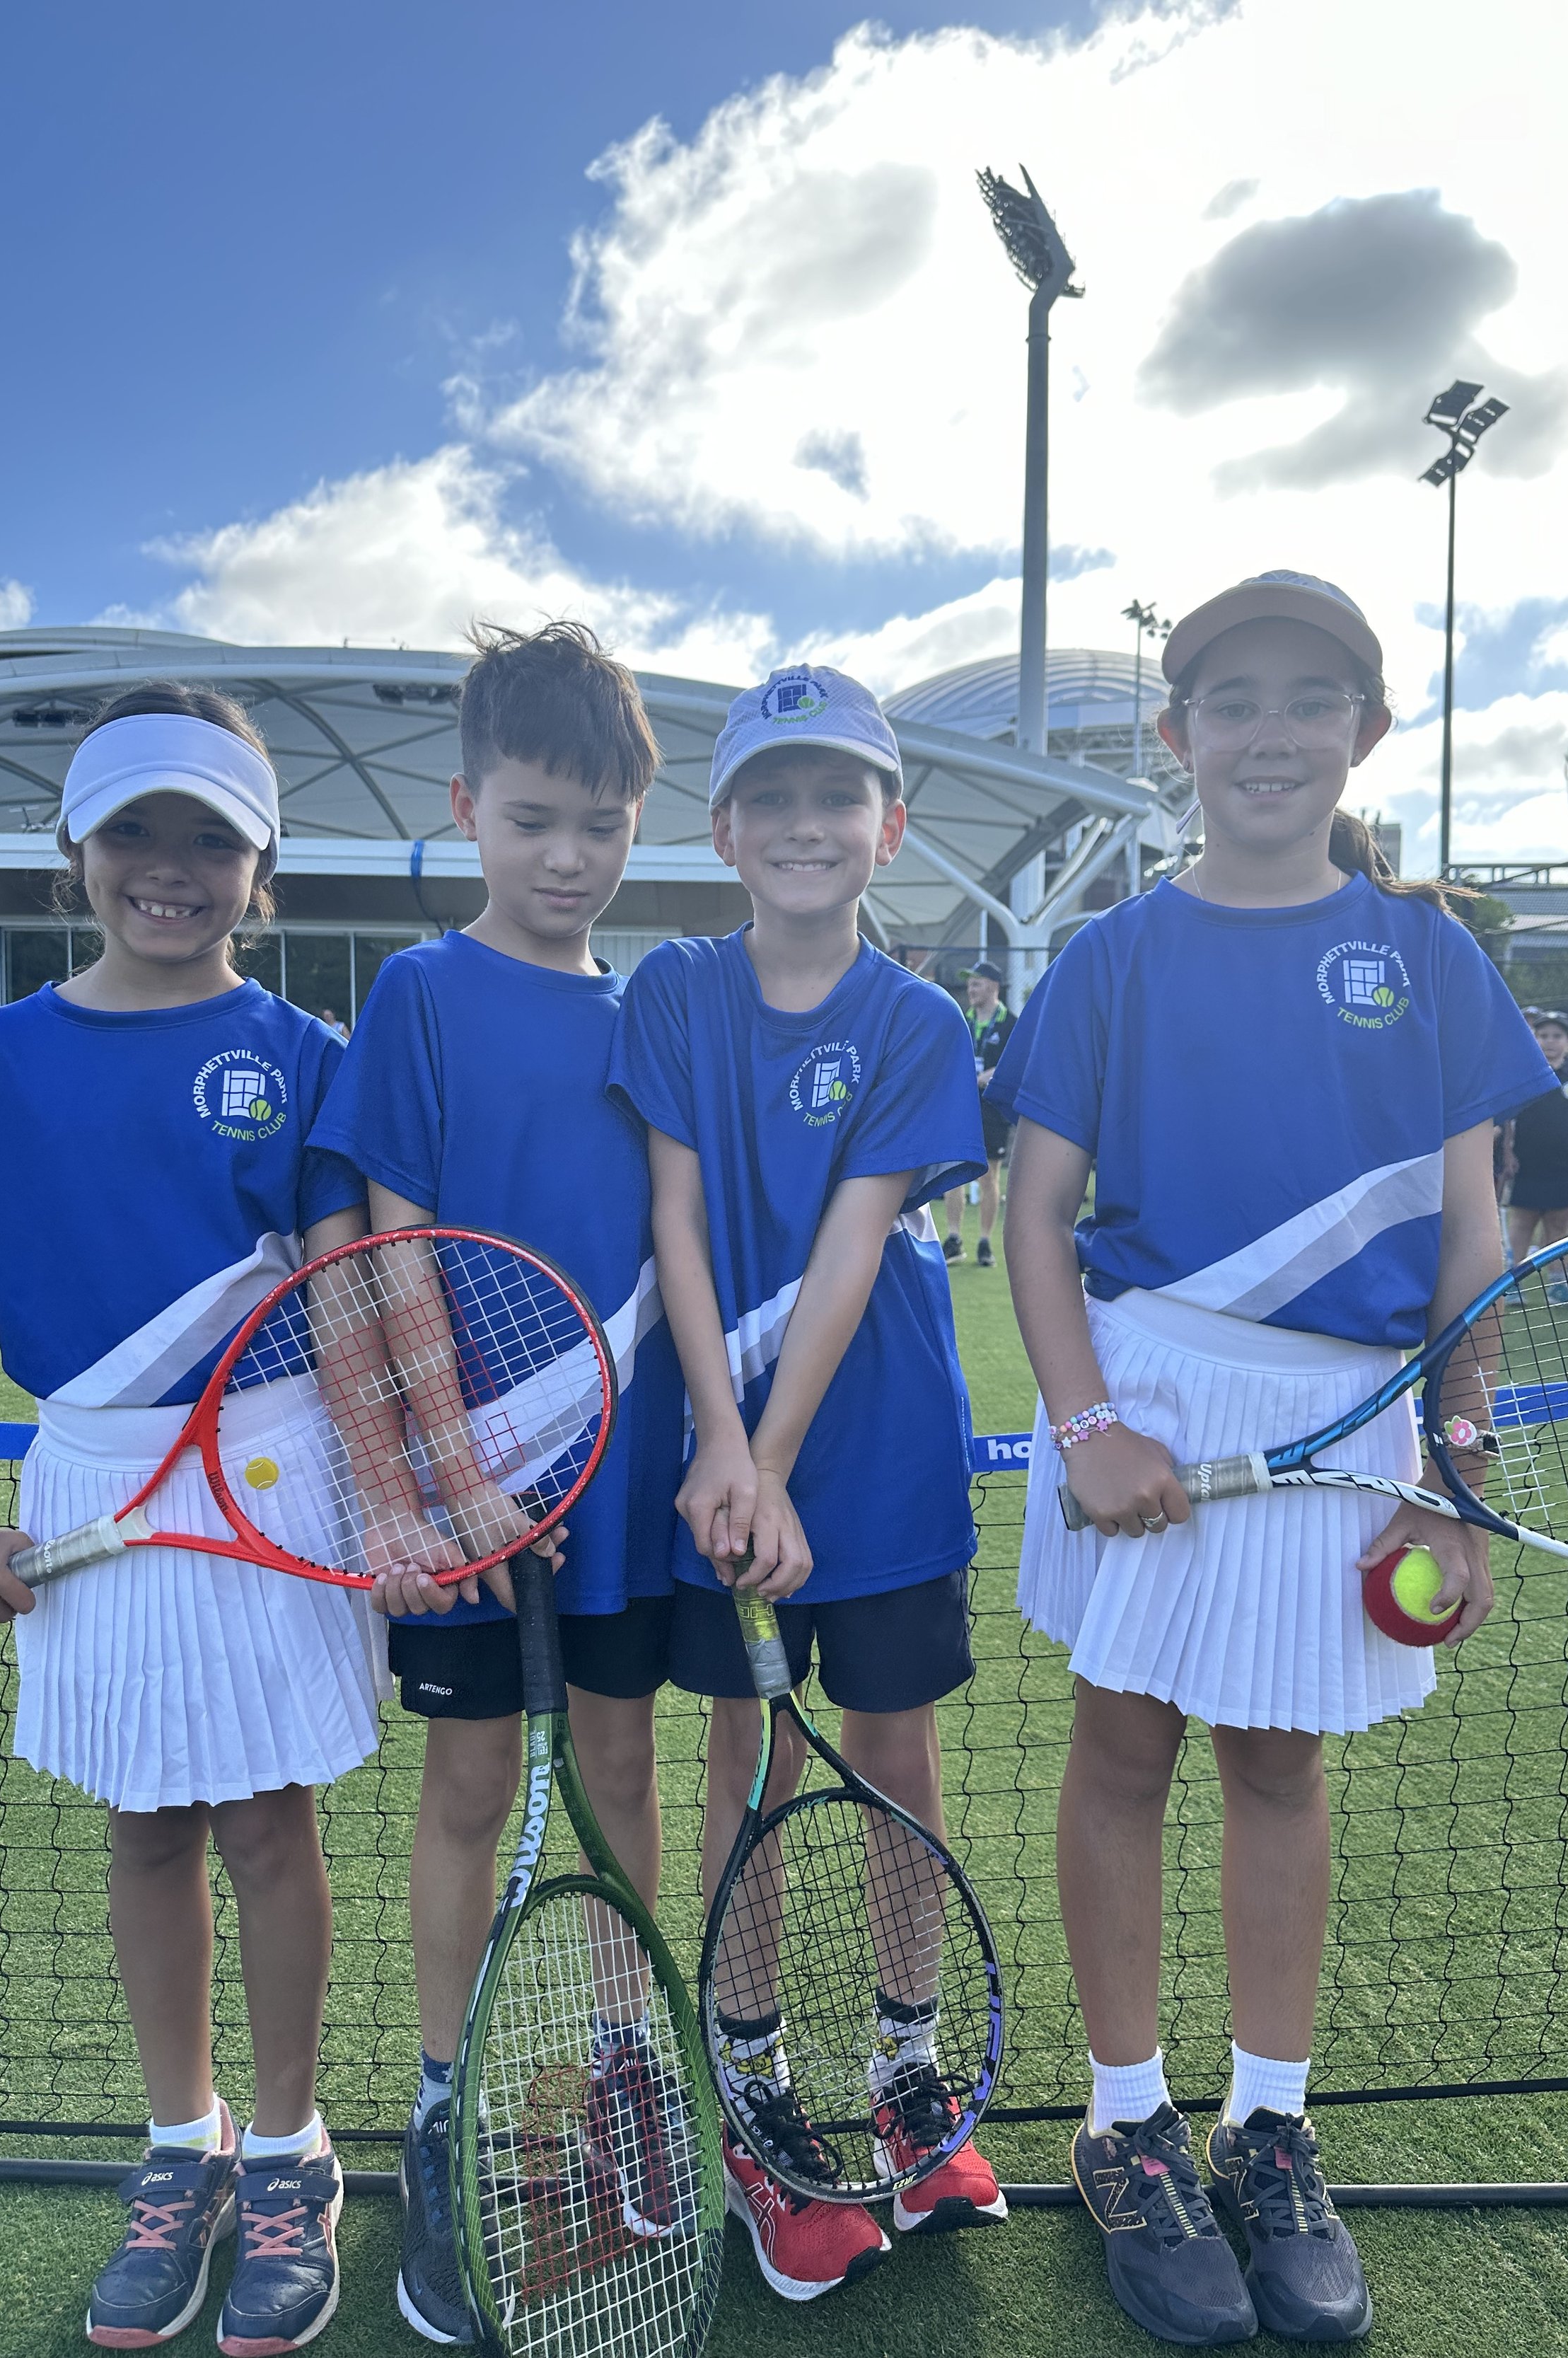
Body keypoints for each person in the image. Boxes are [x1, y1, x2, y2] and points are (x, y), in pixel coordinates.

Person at [989, 572, 1553, 2347]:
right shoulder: (1113, 954)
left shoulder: (1433, 953)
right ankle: (1124, 2120)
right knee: (1122, 1748)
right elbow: (1036, 1216)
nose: (1270, 729)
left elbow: (1478, 1235)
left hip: (1348, 1427)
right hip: (1146, 1392)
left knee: (1281, 1766)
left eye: (1312, 696)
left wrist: (1450, 1474)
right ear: (1176, 738)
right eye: (1231, 699)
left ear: (1364, 733)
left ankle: (1270, 2124)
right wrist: (1086, 1425)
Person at [0, 683, 385, 2354]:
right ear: (74, 856)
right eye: (134, 834)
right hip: (92, 1486)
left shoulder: (306, 1055)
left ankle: (293, 2155)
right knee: (145, 1828)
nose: (167, 869)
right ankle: (184, 2148)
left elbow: (348, 1287)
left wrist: (396, 1485)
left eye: (208, 839)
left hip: (264, 1475)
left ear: (260, 872)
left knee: (266, 1822)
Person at [309, 620, 690, 2347]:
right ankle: (450, 2095)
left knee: (619, 1767)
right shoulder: (417, 993)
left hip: (619, 1478)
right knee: (468, 1788)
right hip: (465, 1484)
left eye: (598, 825)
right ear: (469, 808)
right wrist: (432, 1471)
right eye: (533, 818)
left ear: (636, 823)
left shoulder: (655, 1009)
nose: (565, 857)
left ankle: (624, 2077)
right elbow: (387, 1242)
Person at [610, 663, 1006, 2307]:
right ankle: (757, 2096)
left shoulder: (917, 1021)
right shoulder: (673, 990)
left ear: (888, 826)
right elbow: (676, 1220)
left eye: (837, 796)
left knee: (897, 1758)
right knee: (754, 1764)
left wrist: (768, 1458)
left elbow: (852, 1254)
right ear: (720, 830)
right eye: (770, 797)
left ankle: (909, 2065)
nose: (804, 825)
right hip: (717, 1462)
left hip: (884, 1454)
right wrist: (718, 1444)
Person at [1501, 1012, 1568, 1292]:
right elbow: (1508, 1118)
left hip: (1566, 1165)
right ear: (1534, 1039)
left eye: (1557, 1036)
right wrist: (1508, 1153)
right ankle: (1512, 1284)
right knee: (1522, 1221)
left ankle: (1557, 1283)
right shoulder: (1523, 1074)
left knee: (1558, 1225)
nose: (1550, 1042)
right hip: (1528, 1165)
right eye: (1543, 1036)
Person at [941, 961, 1015, 1268]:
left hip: (991, 1106)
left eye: (978, 983)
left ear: (994, 987)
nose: (971, 989)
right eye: (970, 984)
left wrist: (989, 1075)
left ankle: (985, 1242)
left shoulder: (1011, 1023)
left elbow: (1018, 1063)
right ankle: (954, 1239)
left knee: (989, 1175)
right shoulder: (959, 1020)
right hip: (959, 1105)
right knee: (953, 1170)